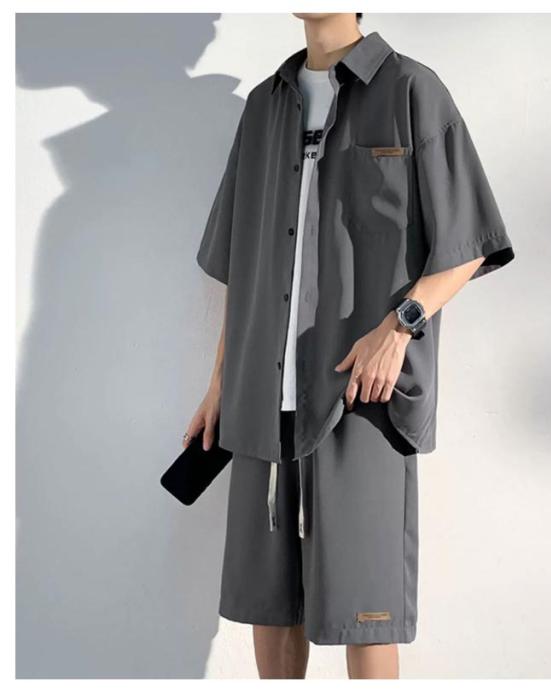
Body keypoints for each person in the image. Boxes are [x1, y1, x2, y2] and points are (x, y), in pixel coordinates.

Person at [186, 12, 514, 679]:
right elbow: (244, 263)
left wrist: (400, 326)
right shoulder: (264, 107)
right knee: (271, 605)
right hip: (261, 399)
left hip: (362, 395)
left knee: (367, 608)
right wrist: (220, 382)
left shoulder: (411, 90)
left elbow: (469, 243)